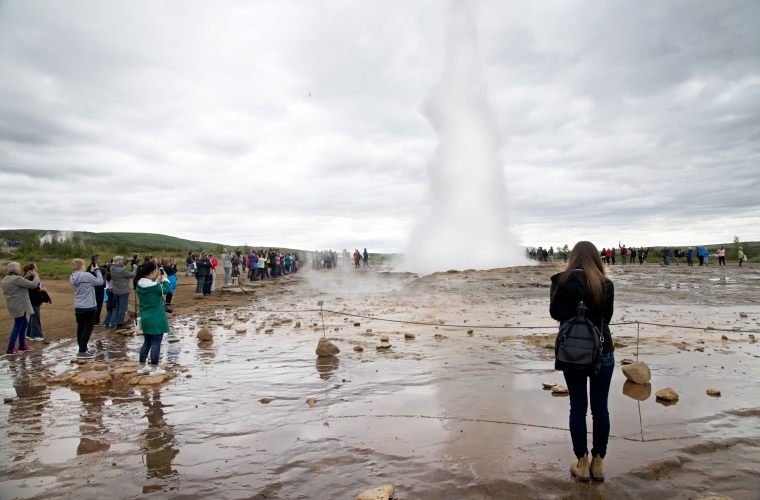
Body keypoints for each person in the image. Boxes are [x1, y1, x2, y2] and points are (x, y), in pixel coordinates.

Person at [550, 241, 614, 482]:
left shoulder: (560, 281)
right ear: (596, 259)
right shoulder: (605, 284)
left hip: (571, 352)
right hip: (602, 351)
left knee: (578, 407)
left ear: (573, 258)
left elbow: (555, 314)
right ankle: (599, 464)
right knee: (600, 408)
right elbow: (606, 317)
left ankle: (582, 461)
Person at [133, 260, 169, 376]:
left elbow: (154, 289)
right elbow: (165, 290)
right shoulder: (154, 286)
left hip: (146, 317)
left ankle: (141, 366)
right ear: (153, 271)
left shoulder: (139, 284)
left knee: (147, 342)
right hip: (156, 317)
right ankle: (154, 368)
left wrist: (158, 280)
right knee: (156, 343)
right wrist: (165, 279)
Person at [3, 262, 40, 355]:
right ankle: (11, 348)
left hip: (12, 304)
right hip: (19, 305)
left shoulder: (7, 278)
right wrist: (36, 276)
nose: (20, 269)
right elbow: (33, 285)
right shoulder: (17, 279)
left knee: (24, 324)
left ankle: (22, 345)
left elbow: (18, 283)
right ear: (16, 270)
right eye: (18, 268)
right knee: (18, 325)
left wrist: (25, 277)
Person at [70, 258, 104, 358]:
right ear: (81, 266)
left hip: (78, 305)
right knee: (87, 328)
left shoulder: (72, 277)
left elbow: (84, 280)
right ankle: (82, 350)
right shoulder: (86, 275)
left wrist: (90, 272)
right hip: (89, 305)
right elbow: (100, 282)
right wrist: (97, 270)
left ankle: (82, 348)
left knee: (80, 327)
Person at [110, 256, 137, 329]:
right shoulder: (121, 271)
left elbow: (120, 265)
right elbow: (132, 275)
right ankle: (120, 324)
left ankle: (116, 323)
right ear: (119, 262)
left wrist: (127, 260)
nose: (122, 261)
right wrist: (135, 268)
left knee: (118, 307)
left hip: (116, 291)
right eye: (122, 260)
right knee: (123, 308)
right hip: (123, 291)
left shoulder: (112, 268)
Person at [24, 262, 48, 341]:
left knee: (33, 316)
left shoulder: (28, 276)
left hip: (32, 298)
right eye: (35, 266)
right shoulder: (32, 276)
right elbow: (34, 287)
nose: (36, 267)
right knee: (35, 315)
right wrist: (43, 289)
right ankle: (35, 335)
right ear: (33, 268)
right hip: (33, 298)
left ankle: (29, 333)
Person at [91, 254, 106, 325]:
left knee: (94, 304)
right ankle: (96, 321)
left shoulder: (89, 267)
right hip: (99, 289)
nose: (100, 260)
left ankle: (93, 319)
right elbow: (103, 270)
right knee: (99, 304)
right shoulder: (99, 269)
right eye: (99, 259)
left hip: (93, 289)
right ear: (96, 260)